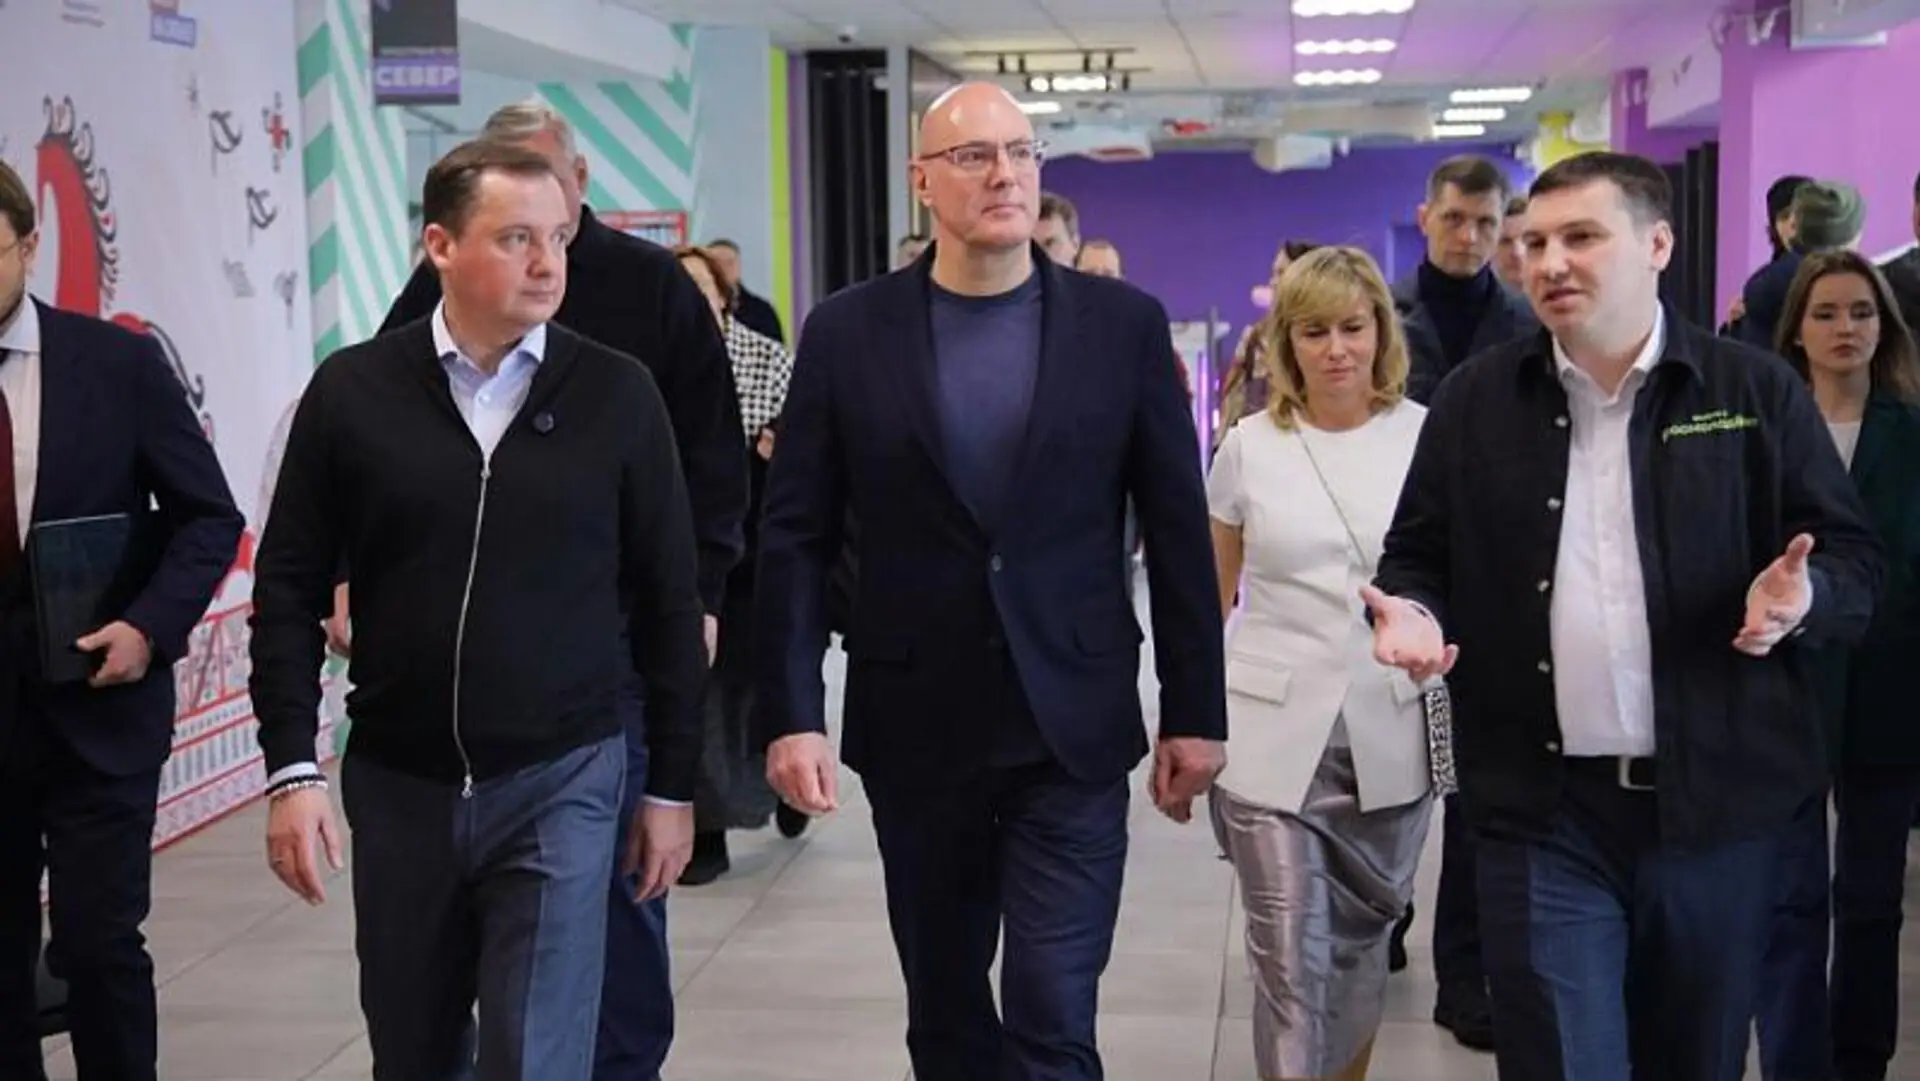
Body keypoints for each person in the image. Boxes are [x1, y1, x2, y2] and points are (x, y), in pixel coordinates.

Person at [1366, 150, 1882, 1081]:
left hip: (1717, 810)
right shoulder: (1476, 400)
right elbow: (1417, 556)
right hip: (1541, 810)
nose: (1550, 261)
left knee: (1696, 1056)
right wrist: (1413, 612)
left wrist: (1804, 597)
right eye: (1535, 243)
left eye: (1581, 237)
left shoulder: (1751, 391)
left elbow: (1852, 558)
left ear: (1657, 245)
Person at [753, 81, 1227, 1081]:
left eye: (1020, 151)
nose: (1004, 173)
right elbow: (795, 534)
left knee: (1054, 1011)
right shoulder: (847, 332)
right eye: (973, 155)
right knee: (947, 1017)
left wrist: (1196, 708)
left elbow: (1179, 528)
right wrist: (790, 713)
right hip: (918, 723)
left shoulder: (1121, 326)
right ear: (923, 181)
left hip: (1073, 721)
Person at [250, 140, 708, 1081]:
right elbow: (288, 586)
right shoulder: (353, 392)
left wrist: (670, 787)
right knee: (413, 1052)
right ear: (441, 247)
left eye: (559, 238)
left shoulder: (617, 394)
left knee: (536, 1056)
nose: (547, 264)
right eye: (515, 239)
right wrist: (292, 768)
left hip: (562, 776)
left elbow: (671, 602)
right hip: (400, 780)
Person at [375, 100, 744, 1081]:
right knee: (468, 944)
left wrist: (703, 593)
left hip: (616, 643)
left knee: (622, 892)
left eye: (549, 191)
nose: (539, 248)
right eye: (511, 213)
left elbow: (712, 458)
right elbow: (380, 429)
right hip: (472, 667)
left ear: (579, 181)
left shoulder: (650, 289)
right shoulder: (431, 294)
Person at [0, 160, 244, 1081]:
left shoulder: (118, 364)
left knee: (98, 942)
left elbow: (208, 517)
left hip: (100, 703)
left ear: (29, 245)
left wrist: (147, 627)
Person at [1205, 246, 1432, 1081]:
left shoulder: (1426, 435)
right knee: (1290, 960)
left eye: (1352, 327)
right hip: (1268, 737)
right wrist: (1185, 725)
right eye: (1313, 331)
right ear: (1285, 343)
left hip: (1388, 732)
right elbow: (1210, 599)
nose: (1336, 349)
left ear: (1380, 332)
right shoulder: (1248, 446)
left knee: (1360, 950)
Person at [1384, 154, 1536, 1050]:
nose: (1471, 236)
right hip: (1395, 556)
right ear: (1427, 217)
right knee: (1391, 769)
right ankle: (1385, 908)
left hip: (1495, 568)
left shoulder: (1524, 322)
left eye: (1486, 222)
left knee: (1473, 786)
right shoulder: (1384, 314)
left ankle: (1466, 971)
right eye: (1455, 219)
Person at [1757, 250, 1920, 1081]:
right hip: (1787, 687)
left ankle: (1859, 1060)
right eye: (1825, 313)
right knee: (1789, 897)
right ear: (1797, 330)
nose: (1845, 328)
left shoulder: (1912, 430)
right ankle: (1795, 1061)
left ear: (1885, 326)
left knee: (1871, 898)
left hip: (1893, 684)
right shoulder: (1768, 431)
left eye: (1861, 312)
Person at [672, 244, 801, 882]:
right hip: (684, 551)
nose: (693, 301)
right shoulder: (648, 364)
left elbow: (802, 448)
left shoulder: (767, 359)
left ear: (725, 298)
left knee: (750, 686)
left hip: (756, 552)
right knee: (700, 692)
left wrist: (778, 447)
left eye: (703, 288)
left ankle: (781, 781)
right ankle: (708, 828)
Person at [705, 238, 786, 344]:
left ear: (739, 266)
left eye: (729, 263)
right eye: (717, 263)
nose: (723, 268)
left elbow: (776, 347)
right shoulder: (696, 306)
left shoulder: (761, 311)